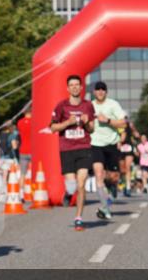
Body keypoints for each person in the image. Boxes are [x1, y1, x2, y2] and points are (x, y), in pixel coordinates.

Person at [49, 75, 96, 230]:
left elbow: (92, 129)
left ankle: (78, 217)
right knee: (71, 186)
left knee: (81, 184)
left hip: (83, 147)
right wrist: (68, 123)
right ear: (67, 88)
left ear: (81, 87)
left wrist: (86, 122)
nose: (75, 87)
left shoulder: (88, 106)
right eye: (72, 85)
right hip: (67, 149)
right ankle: (69, 194)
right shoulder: (61, 106)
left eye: (77, 84)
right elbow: (52, 127)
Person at [89, 81, 126, 220]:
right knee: (99, 174)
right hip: (95, 144)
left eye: (102, 90)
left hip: (111, 143)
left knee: (113, 177)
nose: (100, 92)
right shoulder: (90, 105)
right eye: (97, 89)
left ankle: (112, 187)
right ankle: (105, 208)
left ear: (106, 92)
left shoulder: (113, 104)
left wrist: (108, 121)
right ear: (94, 92)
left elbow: (123, 122)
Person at [17, 106, 33, 178]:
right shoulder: (35, 121)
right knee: (35, 172)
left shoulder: (19, 122)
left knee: (22, 173)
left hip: (23, 150)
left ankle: (21, 189)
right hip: (33, 150)